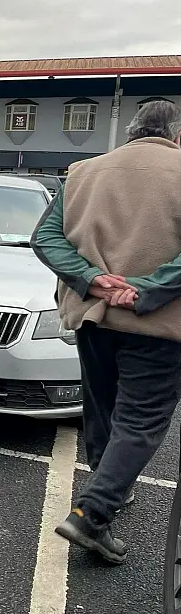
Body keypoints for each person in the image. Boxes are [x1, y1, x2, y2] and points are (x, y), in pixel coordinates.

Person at [30, 99, 181, 565]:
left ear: (131, 131)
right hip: (159, 323)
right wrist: (146, 291)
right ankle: (93, 514)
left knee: (101, 404)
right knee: (141, 420)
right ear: (175, 135)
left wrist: (92, 278)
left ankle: (107, 482)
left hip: (93, 314)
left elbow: (46, 237)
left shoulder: (83, 172)